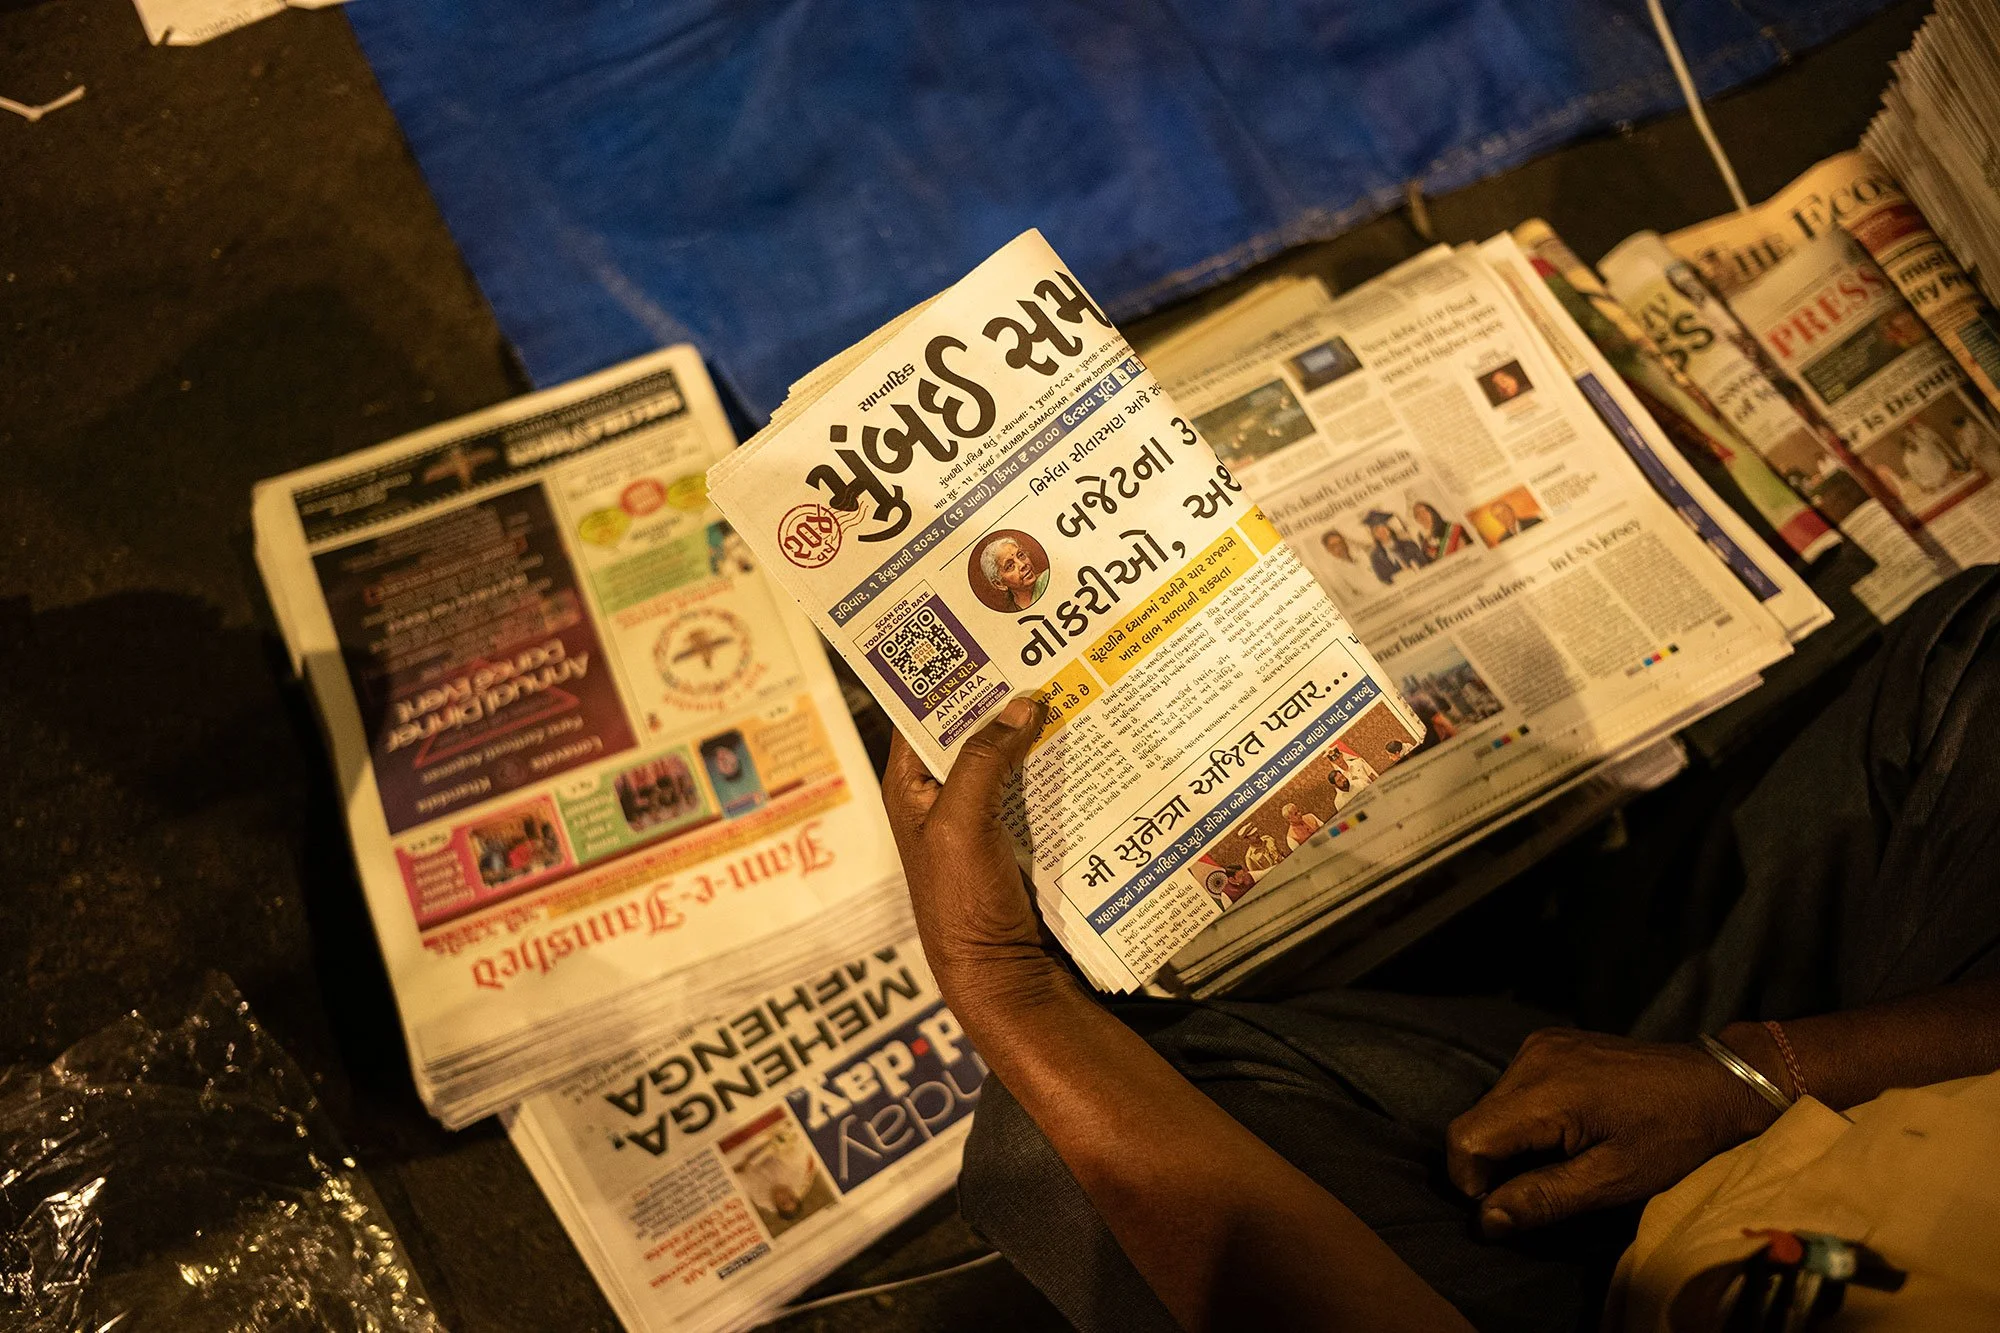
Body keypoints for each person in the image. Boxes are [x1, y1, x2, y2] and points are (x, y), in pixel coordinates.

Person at [882, 568, 2000, 1332]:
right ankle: (1607, 993)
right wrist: (1753, 1075)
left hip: (1618, 1276)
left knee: (1058, 1147)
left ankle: (1581, 998)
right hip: (1868, 1122)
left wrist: (1002, 985)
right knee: (1971, 650)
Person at [980, 535, 1050, 610]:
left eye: (1021, 555)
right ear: (999, 584)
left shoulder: (1048, 579)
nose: (1022, 565)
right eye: (1010, 566)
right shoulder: (1010, 612)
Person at [1363, 510, 1428, 585]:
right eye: (1377, 530)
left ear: (1389, 528)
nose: (1382, 532)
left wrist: (1416, 566)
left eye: (1383, 527)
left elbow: (1424, 562)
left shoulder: (1409, 544)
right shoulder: (1375, 557)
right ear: (1373, 534)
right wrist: (1401, 576)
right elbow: (1383, 578)